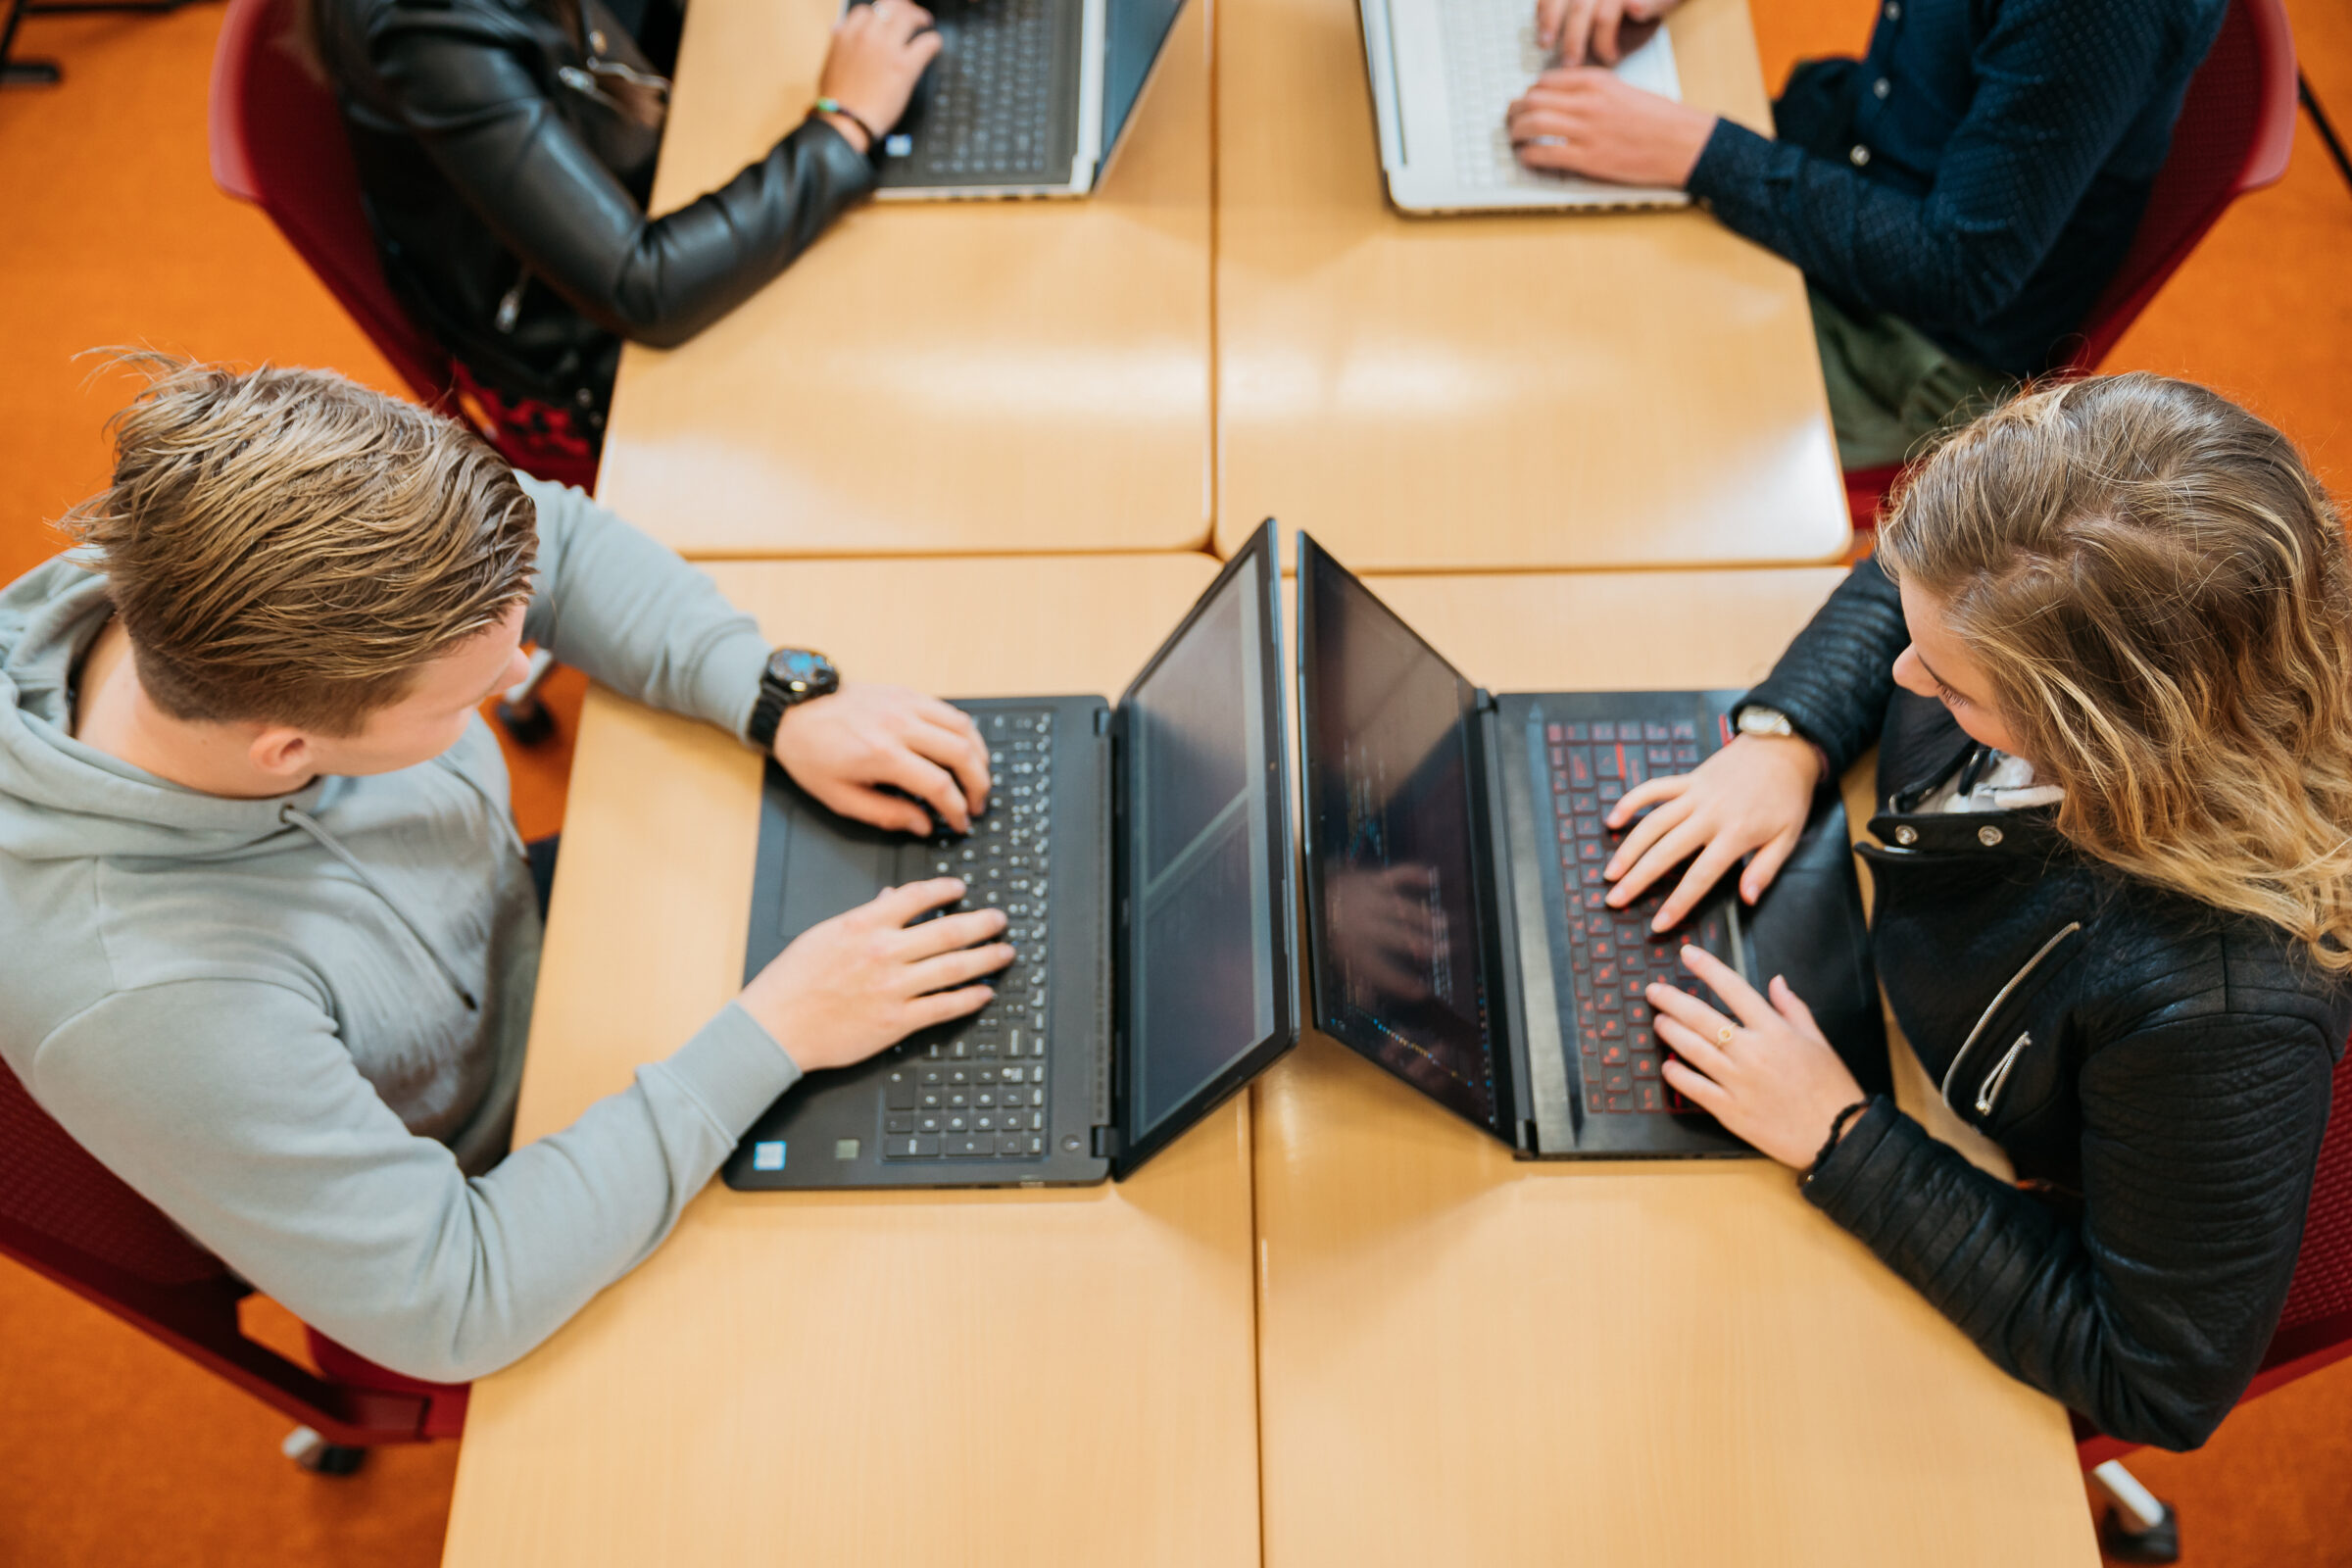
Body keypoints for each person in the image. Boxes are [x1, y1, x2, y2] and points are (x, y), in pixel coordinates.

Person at [0, 358, 1013, 1382]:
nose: (524, 672)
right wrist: (774, 1033)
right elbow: (456, 1300)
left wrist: (774, 698)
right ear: (288, 751)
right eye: (473, 696)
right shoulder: (152, 1003)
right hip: (508, 1178)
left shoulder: (226, 544)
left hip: (541, 959)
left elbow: (551, 542)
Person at [1593, 372, 2352, 1449]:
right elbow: (1916, 585)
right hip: (1895, 973)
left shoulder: (2222, 1009)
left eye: (1951, 689)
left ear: (2103, 741)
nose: (1904, 673)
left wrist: (1840, 1135)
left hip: (1945, 1143)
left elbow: (2154, 1380)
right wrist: (1788, 733)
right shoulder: (2066, 560)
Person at [1506, 0, 2229, 471]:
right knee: (1539, 272)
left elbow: (1959, 271)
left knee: (1563, 402)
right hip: (1847, 164)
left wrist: (1702, 154)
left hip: (1914, 345)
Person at [314, 0, 942, 475]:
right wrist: (846, 123)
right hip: (579, 357)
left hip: (639, 172)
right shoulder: (428, 28)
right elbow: (643, 289)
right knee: (891, 415)